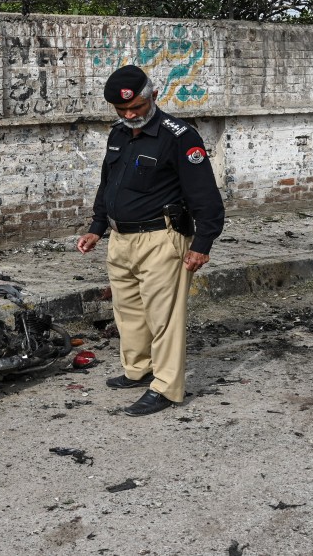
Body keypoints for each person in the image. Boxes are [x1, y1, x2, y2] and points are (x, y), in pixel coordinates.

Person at [76, 65, 225, 416]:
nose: (130, 115)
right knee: (129, 312)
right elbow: (107, 183)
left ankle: (166, 387)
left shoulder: (179, 136)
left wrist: (203, 243)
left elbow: (205, 194)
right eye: (122, 110)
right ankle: (139, 369)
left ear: (154, 96)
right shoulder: (118, 133)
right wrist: (97, 227)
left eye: (137, 107)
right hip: (121, 238)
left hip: (162, 238)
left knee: (164, 318)